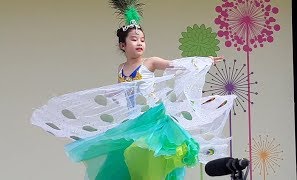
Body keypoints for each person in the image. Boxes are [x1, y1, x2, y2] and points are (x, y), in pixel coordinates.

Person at [30, 1, 237, 180]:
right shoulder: (121, 69)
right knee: (128, 160)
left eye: (142, 39)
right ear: (123, 45)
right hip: (133, 121)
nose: (139, 43)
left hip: (154, 118)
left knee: (143, 152)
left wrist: (203, 61)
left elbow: (175, 65)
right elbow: (123, 92)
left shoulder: (151, 62)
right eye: (134, 39)